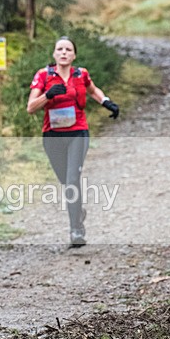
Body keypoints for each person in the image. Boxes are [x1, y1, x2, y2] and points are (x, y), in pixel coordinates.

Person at [26, 36, 120, 247]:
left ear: (74, 54)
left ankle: (76, 231)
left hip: (78, 133)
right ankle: (78, 211)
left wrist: (107, 102)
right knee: (66, 183)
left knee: (72, 181)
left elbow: (93, 90)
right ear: (54, 54)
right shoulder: (43, 76)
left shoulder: (81, 74)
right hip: (52, 136)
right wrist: (48, 95)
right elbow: (31, 107)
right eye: (59, 49)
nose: (64, 52)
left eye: (68, 49)